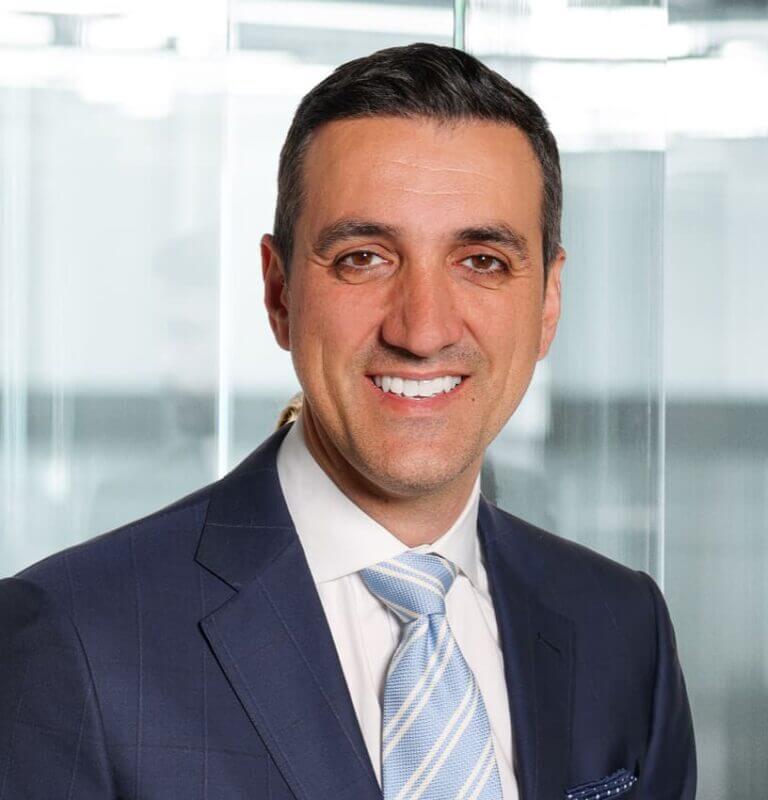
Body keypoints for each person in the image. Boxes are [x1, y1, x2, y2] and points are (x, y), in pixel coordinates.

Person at [0, 43, 696, 799]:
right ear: (279, 293)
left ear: (549, 302)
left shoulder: (623, 629)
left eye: (482, 261)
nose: (423, 329)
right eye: (365, 257)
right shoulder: (75, 639)